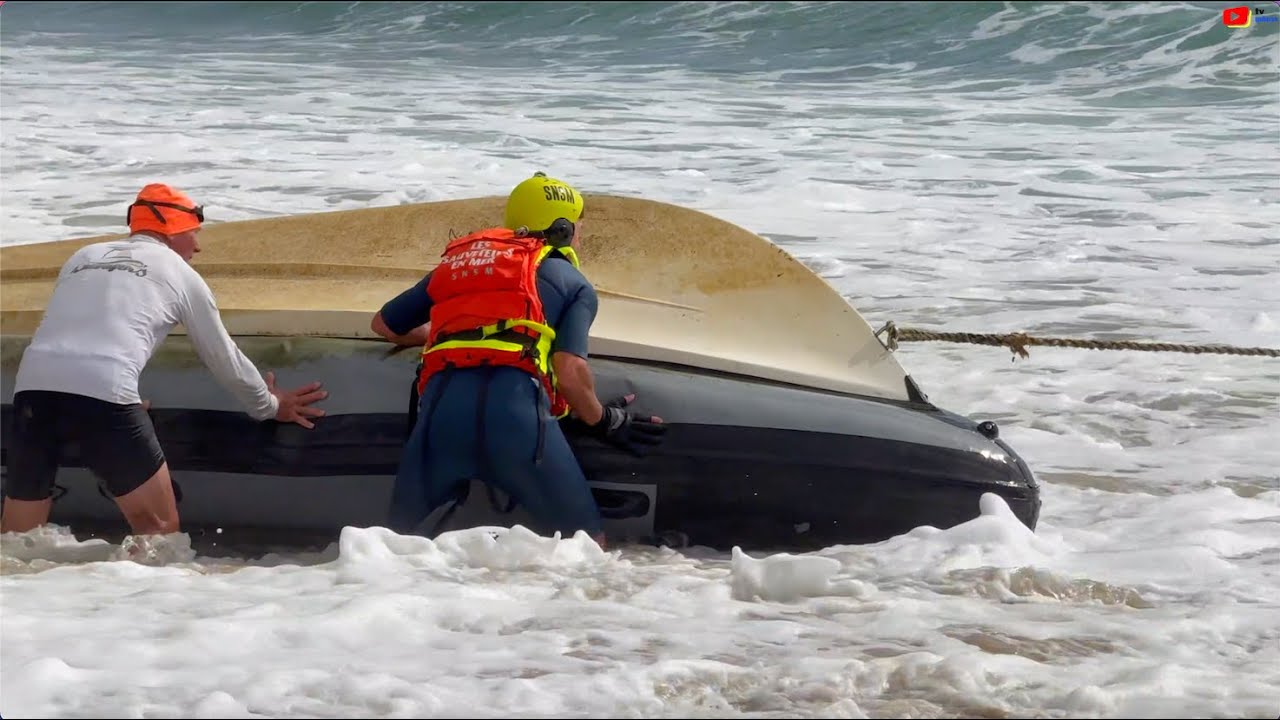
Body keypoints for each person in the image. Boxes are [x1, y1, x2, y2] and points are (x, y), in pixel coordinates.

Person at [1, 183, 329, 537]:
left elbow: (82, 330)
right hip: (105, 397)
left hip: (32, 392)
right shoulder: (180, 274)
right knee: (160, 530)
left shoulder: (83, 257)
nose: (198, 247)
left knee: (18, 536)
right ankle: (140, 592)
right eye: (195, 234)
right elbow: (223, 357)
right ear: (173, 230)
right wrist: (268, 405)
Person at [370, 172, 667, 546]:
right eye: (577, 226)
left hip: (441, 416)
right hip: (516, 418)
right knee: (587, 547)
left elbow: (384, 324)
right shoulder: (572, 282)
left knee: (398, 548)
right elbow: (569, 370)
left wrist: (446, 335)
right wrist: (605, 419)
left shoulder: (455, 267)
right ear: (562, 228)